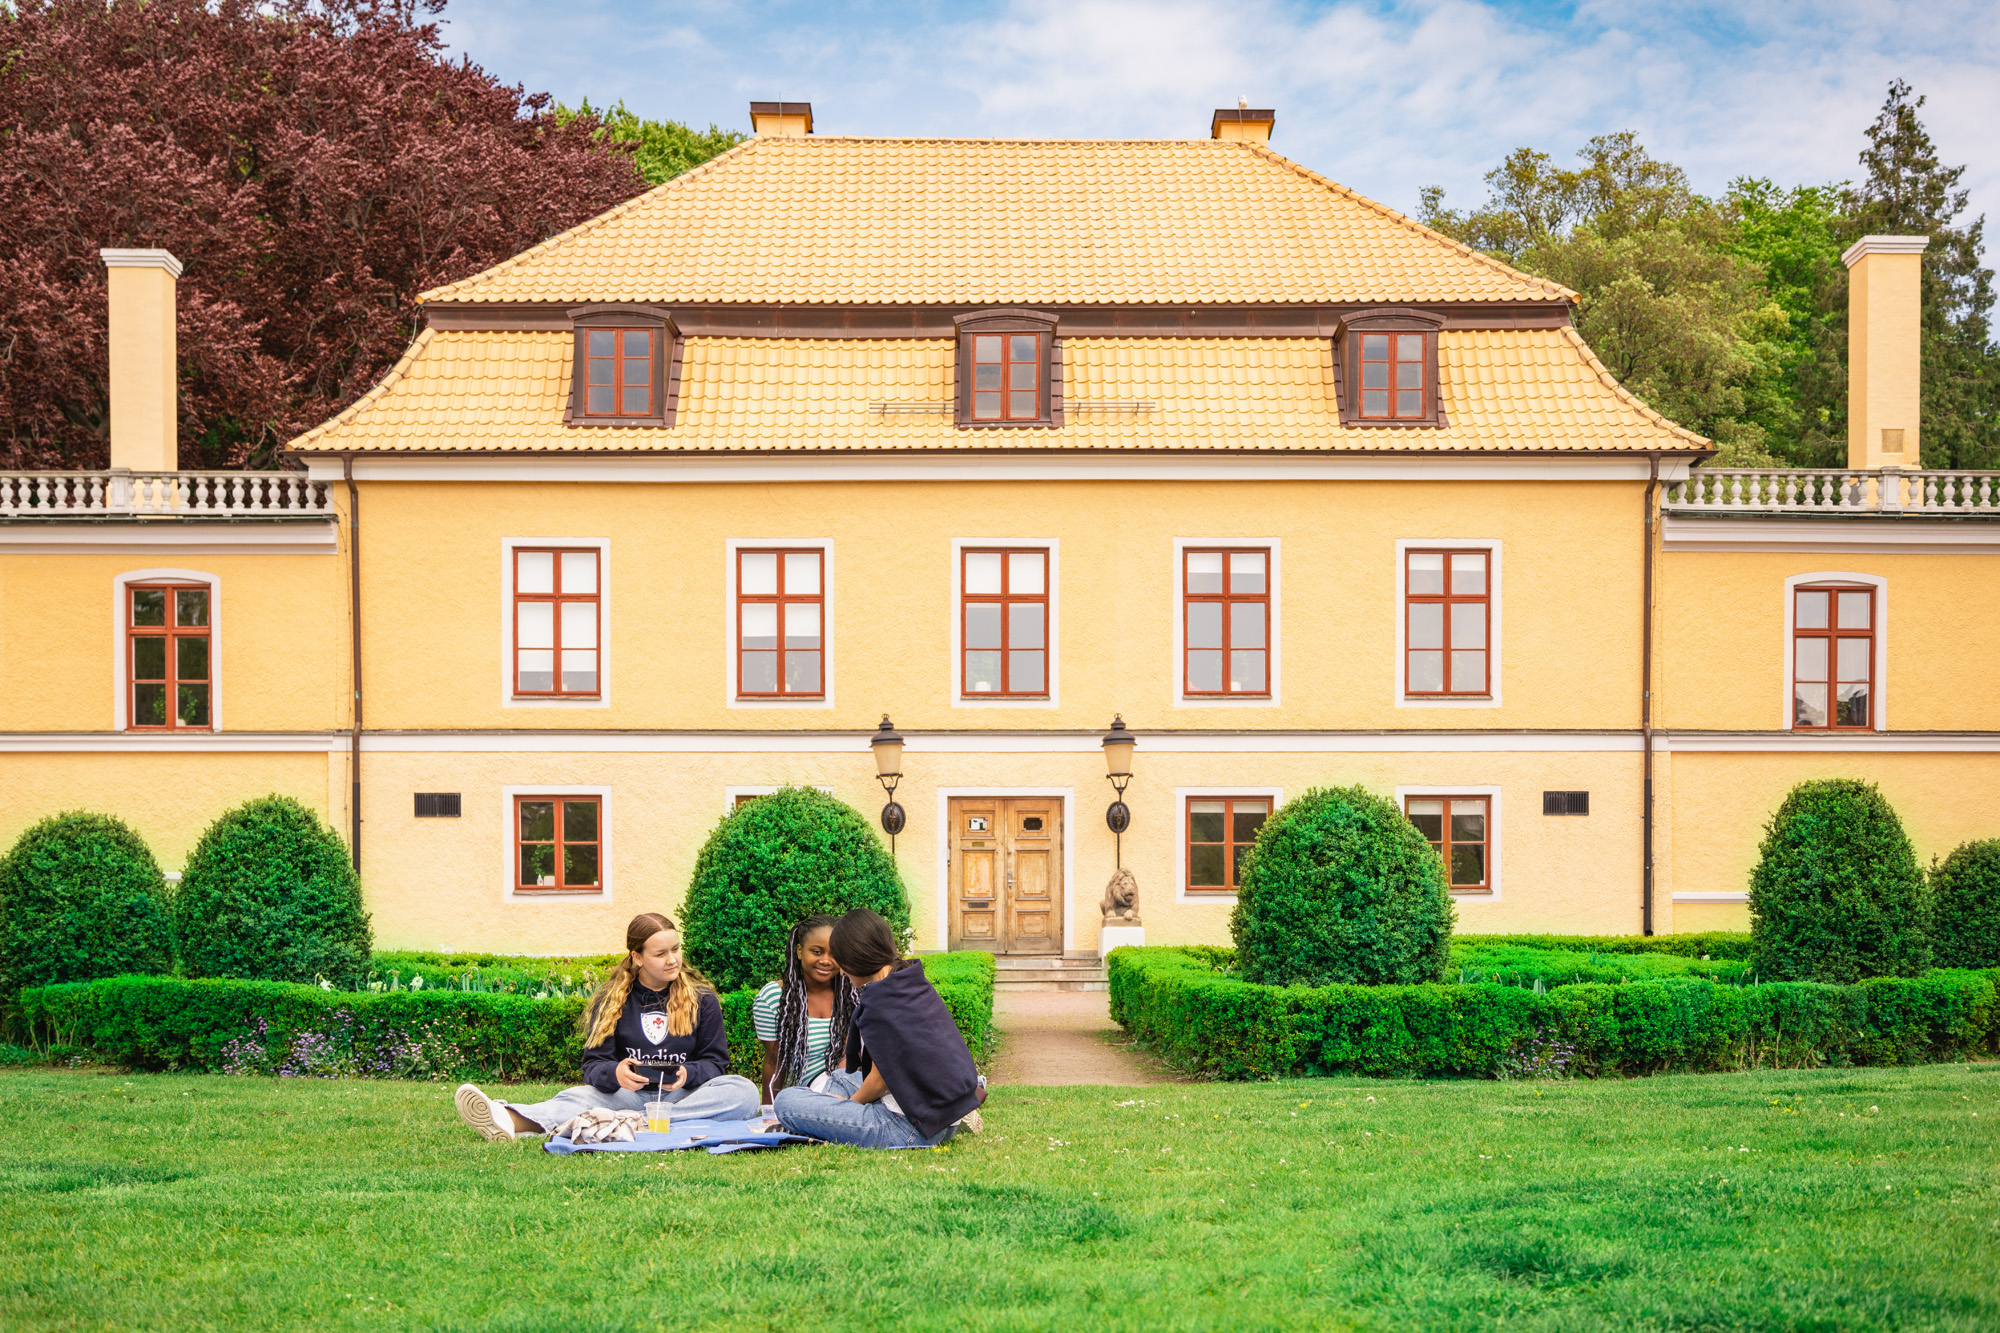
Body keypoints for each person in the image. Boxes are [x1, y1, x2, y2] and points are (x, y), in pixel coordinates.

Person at [455, 912, 759, 1141]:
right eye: (661, 954)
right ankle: (507, 1118)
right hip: (626, 1097)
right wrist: (616, 1073)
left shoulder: (702, 999)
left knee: (743, 1091)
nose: (672, 960)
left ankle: (631, 1122)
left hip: (683, 1097)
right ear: (637, 957)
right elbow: (593, 1065)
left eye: (676, 949)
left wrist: (688, 1073)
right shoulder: (612, 999)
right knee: (579, 1097)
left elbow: (715, 1063)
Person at [773, 909, 986, 1147]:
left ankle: (824, 1120)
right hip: (942, 1113)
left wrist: (849, 1105)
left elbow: (880, 1081)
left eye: (842, 961)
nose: (841, 972)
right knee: (841, 1077)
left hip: (906, 1128)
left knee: (787, 1102)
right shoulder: (908, 979)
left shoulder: (882, 1004)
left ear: (856, 957)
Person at [754, 915, 857, 1106]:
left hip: (853, 1084)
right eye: (817, 952)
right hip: (811, 1094)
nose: (826, 960)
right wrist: (770, 1112)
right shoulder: (772, 998)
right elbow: (774, 1061)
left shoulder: (852, 993)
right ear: (800, 951)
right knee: (790, 1101)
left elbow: (849, 1057)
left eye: (834, 954)